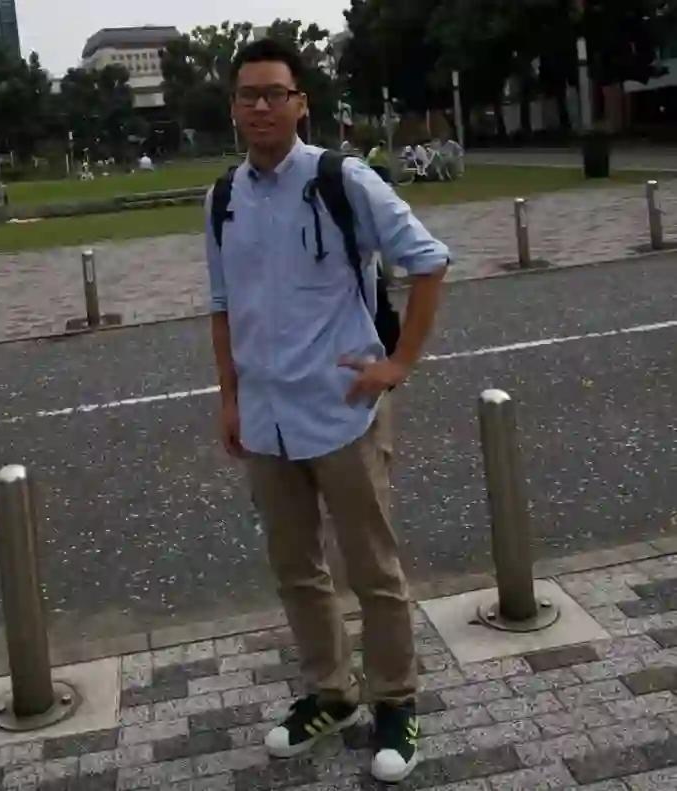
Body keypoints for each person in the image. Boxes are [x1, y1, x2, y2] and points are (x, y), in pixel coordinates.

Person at [205, 38, 449, 784]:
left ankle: (394, 700)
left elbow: (429, 259)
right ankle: (330, 692)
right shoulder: (224, 198)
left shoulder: (341, 180)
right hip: (266, 419)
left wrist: (398, 364)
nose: (260, 106)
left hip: (343, 410)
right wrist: (229, 397)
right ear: (234, 107)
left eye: (274, 93)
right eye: (248, 94)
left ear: (300, 103)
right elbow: (222, 306)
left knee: (372, 569)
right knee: (297, 570)